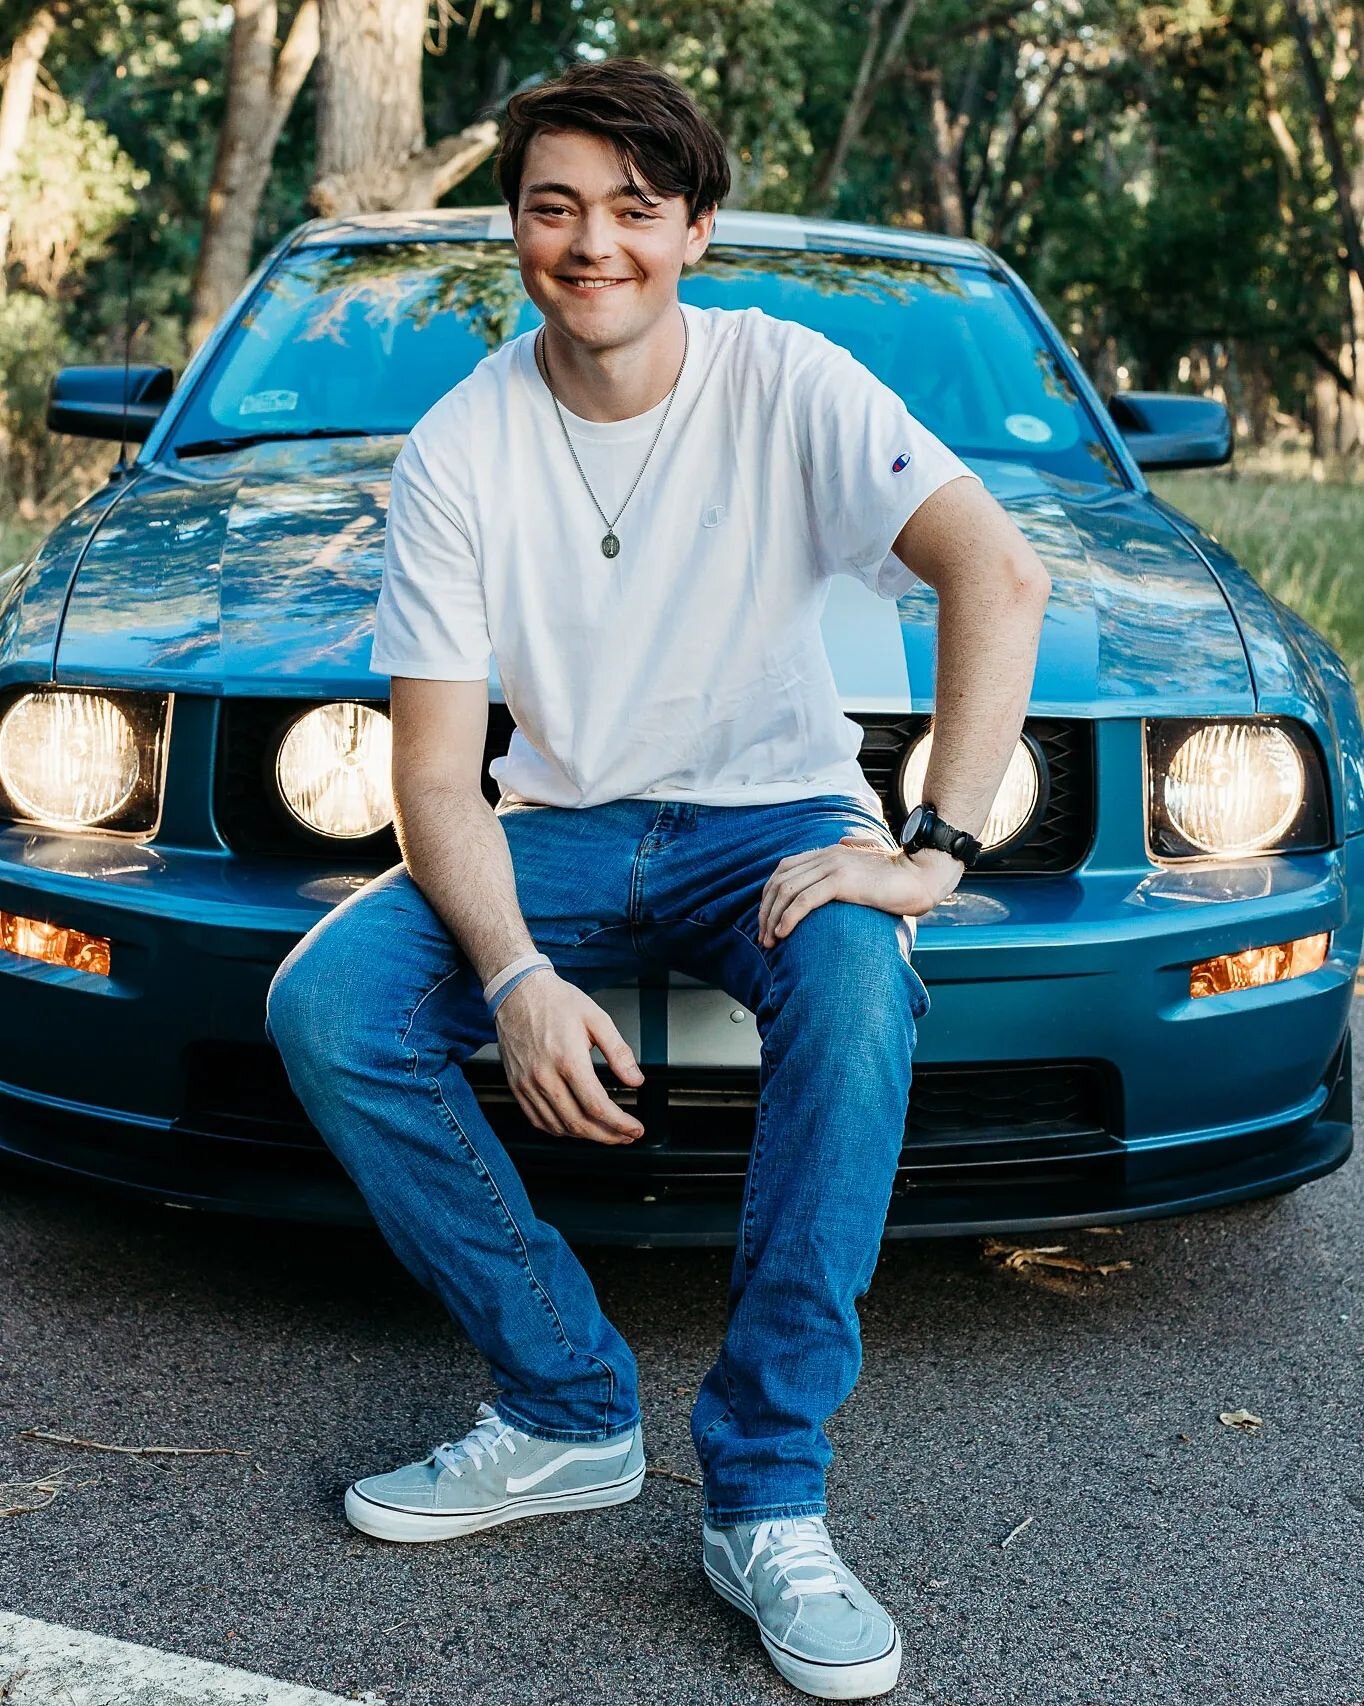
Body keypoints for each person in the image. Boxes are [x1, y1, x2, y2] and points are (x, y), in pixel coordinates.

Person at [265, 56, 1050, 1703]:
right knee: (330, 998)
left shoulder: (789, 379)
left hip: (772, 819)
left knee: (852, 978)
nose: (594, 241)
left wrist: (931, 846)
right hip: (552, 827)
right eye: (556, 206)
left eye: (635, 207)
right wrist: (513, 976)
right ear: (515, 232)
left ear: (696, 227)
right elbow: (431, 774)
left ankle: (766, 1495)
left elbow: (999, 566)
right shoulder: (460, 447)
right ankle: (563, 1403)